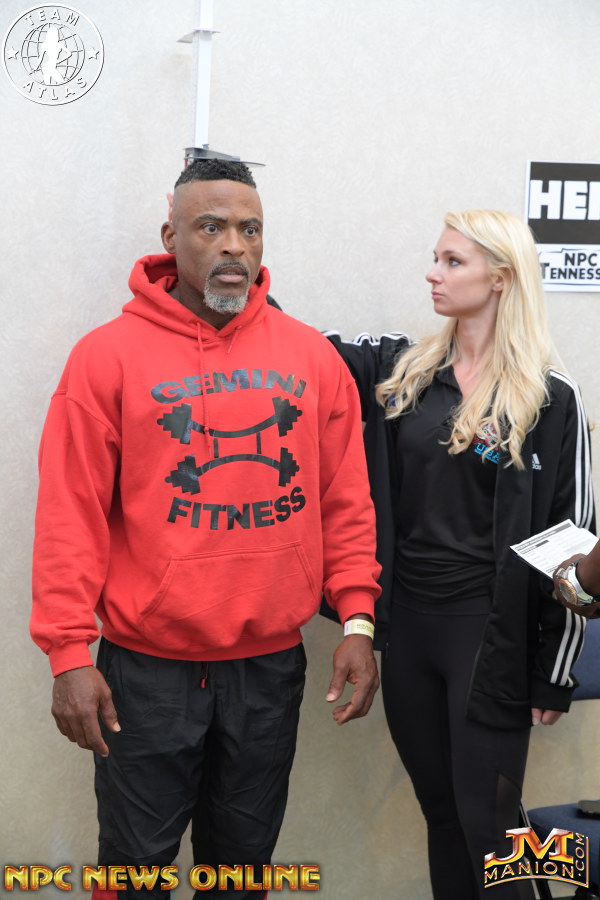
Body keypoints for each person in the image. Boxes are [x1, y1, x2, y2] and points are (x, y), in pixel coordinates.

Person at [31, 159, 381, 899]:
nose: (233, 246)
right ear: (172, 238)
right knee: (134, 874)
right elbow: (71, 515)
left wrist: (357, 620)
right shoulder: (106, 357)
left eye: (250, 229)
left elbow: (346, 503)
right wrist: (67, 654)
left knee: (241, 874)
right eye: (212, 227)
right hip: (146, 672)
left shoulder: (311, 357)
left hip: (268, 669)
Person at [325, 210, 594, 900]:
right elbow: (296, 347)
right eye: (436, 258)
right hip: (410, 631)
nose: (432, 274)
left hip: (488, 636)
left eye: (452, 262)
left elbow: (573, 541)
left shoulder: (549, 397)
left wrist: (554, 672)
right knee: (442, 817)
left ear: (499, 278)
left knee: (492, 826)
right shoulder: (406, 373)